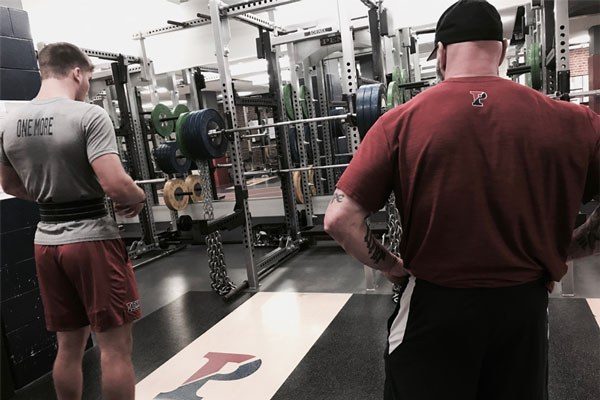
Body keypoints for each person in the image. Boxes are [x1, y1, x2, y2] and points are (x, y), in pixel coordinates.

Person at [324, 0, 599, 399]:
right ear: (502, 51)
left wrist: (393, 267)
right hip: (523, 308)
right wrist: (564, 251)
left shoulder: (398, 122)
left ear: (440, 51)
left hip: (434, 306)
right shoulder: (574, 121)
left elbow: (339, 220)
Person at [0, 42, 146, 400]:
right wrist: (138, 198)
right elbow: (115, 184)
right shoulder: (88, 115)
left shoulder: (9, 124)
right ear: (77, 72)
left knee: (68, 347)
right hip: (92, 239)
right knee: (115, 350)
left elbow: (8, 184)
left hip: (46, 242)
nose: (87, 88)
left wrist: (52, 198)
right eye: (88, 79)